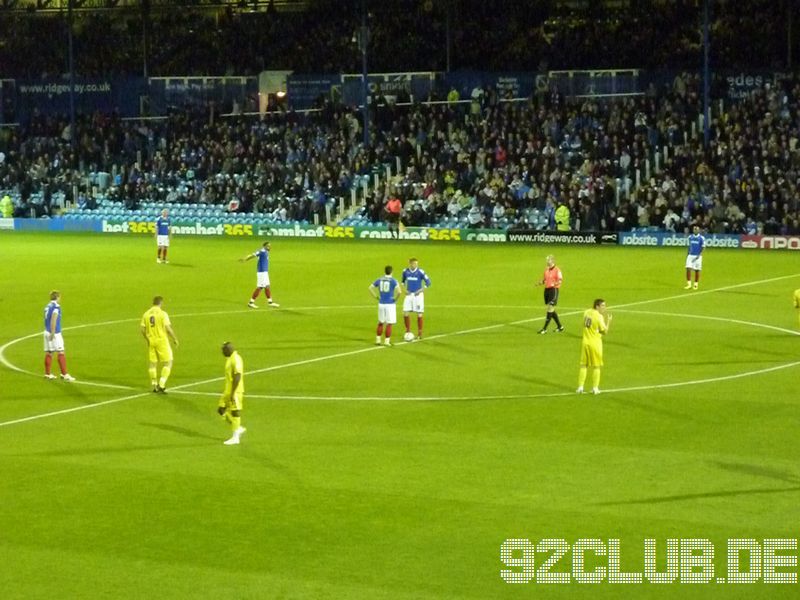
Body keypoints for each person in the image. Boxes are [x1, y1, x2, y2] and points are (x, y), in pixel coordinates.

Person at [140, 296, 179, 393]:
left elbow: (142, 330)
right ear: (161, 303)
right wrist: (174, 338)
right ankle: (162, 384)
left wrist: (147, 339)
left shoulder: (146, 314)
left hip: (151, 341)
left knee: (153, 363)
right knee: (168, 362)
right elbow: (168, 328)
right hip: (162, 340)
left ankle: (154, 385)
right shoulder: (162, 314)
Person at [577, 298, 612, 395]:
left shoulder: (586, 312)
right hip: (595, 343)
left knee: (583, 365)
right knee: (597, 366)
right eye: (603, 306)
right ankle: (595, 388)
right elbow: (605, 331)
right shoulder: (599, 317)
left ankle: (580, 387)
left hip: (585, 342)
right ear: (597, 306)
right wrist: (608, 321)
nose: (604, 308)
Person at [218, 342, 246, 445]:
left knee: (235, 412)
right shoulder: (230, 359)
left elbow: (237, 376)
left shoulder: (236, 359)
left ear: (228, 349)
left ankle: (235, 438)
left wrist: (233, 393)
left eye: (223, 350)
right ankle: (238, 427)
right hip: (228, 390)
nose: (222, 352)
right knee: (221, 410)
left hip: (235, 391)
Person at [43, 290, 75, 381]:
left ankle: (47, 374)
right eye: (59, 297)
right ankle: (64, 374)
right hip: (55, 333)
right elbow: (53, 319)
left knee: (49, 352)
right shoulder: (56, 307)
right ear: (57, 297)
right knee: (61, 351)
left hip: (46, 331)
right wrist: (53, 332)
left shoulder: (47, 306)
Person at [369, 265, 402, 346]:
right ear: (391, 272)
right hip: (389, 304)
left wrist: (376, 297)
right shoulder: (394, 281)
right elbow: (399, 292)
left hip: (381, 303)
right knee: (389, 323)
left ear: (385, 271)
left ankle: (378, 339)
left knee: (380, 322)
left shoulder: (379, 279)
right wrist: (395, 299)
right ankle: (387, 341)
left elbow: (370, 288)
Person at [241, 241, 279, 308]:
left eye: (270, 246)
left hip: (265, 272)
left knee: (267, 286)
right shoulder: (262, 251)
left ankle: (270, 302)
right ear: (264, 246)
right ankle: (251, 302)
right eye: (268, 246)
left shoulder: (266, 252)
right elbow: (253, 255)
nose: (269, 247)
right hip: (262, 272)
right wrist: (245, 259)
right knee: (260, 287)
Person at [402, 257, 432, 340]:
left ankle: (420, 332)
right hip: (409, 295)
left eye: (416, 263)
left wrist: (421, 290)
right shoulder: (405, 271)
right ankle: (407, 331)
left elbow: (428, 282)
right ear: (410, 263)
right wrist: (404, 290)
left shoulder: (420, 272)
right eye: (414, 263)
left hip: (418, 296)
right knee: (405, 313)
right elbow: (402, 282)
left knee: (419, 314)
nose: (415, 265)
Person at [537, 255, 564, 334]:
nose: (547, 261)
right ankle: (560, 326)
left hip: (554, 290)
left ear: (552, 261)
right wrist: (540, 282)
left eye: (548, 260)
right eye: (547, 260)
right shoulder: (546, 270)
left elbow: (560, 280)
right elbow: (545, 280)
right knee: (551, 309)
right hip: (547, 290)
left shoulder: (557, 270)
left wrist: (554, 284)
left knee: (550, 308)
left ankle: (544, 328)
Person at [684, 225, 705, 289]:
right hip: (690, 255)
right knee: (688, 269)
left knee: (697, 270)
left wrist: (700, 254)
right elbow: (689, 246)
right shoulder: (690, 237)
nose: (695, 230)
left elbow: (703, 247)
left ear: (698, 230)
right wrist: (688, 254)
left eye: (696, 229)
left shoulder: (701, 238)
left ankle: (696, 284)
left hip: (697, 256)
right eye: (694, 229)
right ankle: (689, 284)